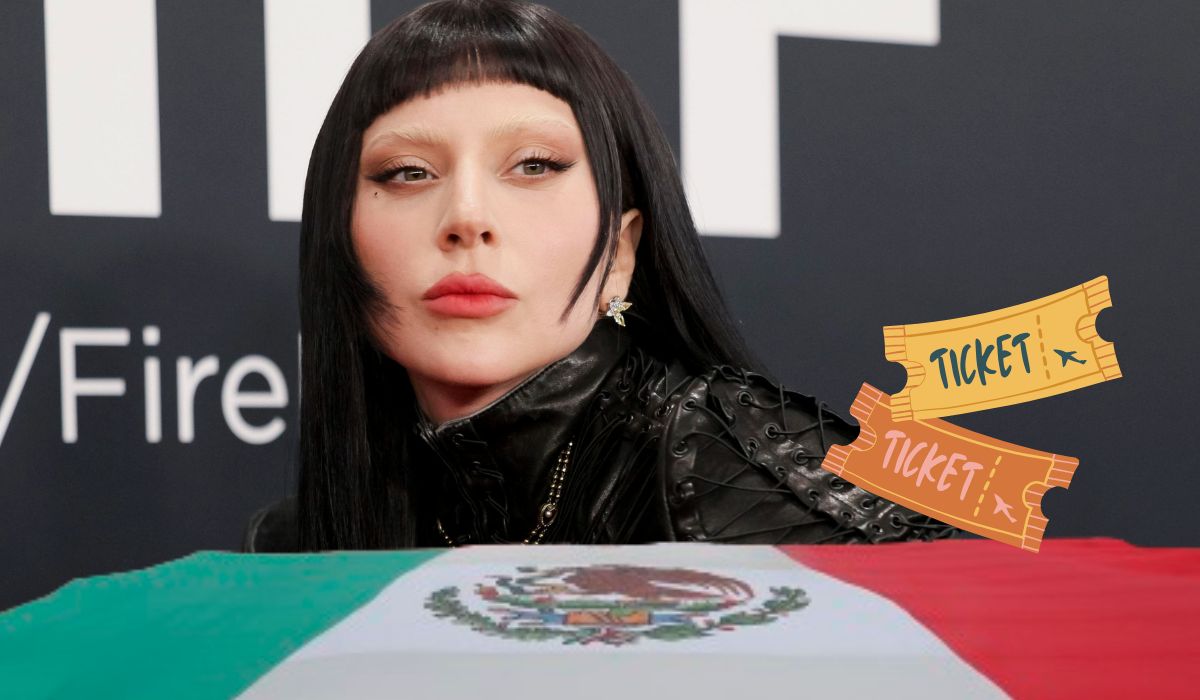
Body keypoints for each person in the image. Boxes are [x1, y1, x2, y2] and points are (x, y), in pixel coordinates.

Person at [242, 0, 956, 552]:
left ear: (621, 253)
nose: (466, 217)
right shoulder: (297, 545)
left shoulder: (735, 474)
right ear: (339, 240)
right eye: (408, 173)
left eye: (534, 166)